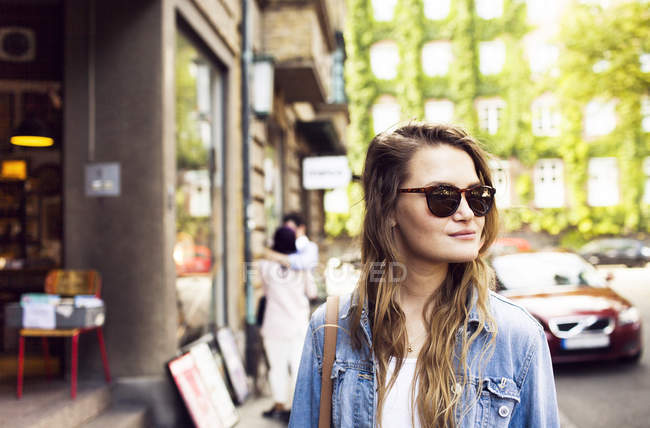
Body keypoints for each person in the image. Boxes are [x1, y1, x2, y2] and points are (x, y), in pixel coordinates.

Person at [289, 123, 560, 427]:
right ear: (388, 208)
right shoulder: (330, 330)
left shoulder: (517, 337)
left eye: (477, 196)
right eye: (443, 196)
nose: (467, 213)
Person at [259, 226, 317, 423]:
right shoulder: (302, 269)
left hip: (274, 324)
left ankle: (279, 404)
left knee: (277, 367)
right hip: (297, 325)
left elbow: (266, 293)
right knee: (297, 367)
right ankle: (295, 407)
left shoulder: (265, 267)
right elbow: (312, 292)